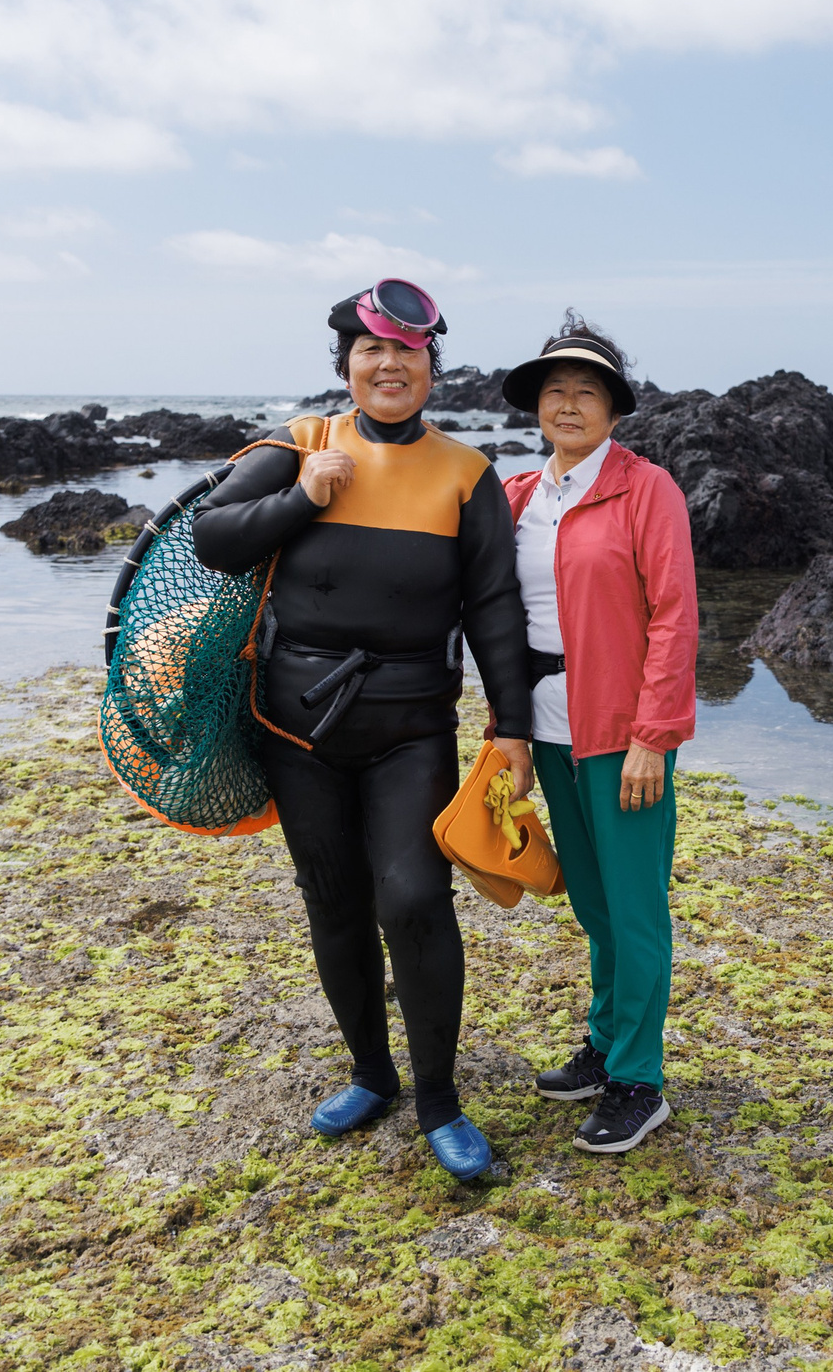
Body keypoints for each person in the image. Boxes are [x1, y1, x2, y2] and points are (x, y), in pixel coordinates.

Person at [192, 279, 535, 1181]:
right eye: (370, 350)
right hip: (297, 729)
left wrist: (511, 726)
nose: (389, 365)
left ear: (431, 369)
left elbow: (494, 606)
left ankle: (439, 1100)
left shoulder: (466, 474)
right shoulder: (301, 444)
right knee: (333, 899)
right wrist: (302, 498)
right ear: (345, 363)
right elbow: (211, 538)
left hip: (411, 727)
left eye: (407, 352)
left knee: (414, 897)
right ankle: (371, 1074)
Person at [498, 313, 697, 1154]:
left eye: (587, 391)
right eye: (556, 391)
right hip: (547, 731)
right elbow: (495, 620)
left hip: (621, 733)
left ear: (614, 409)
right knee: (591, 902)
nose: (569, 404)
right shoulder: (517, 497)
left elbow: (675, 616)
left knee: (635, 908)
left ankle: (639, 1080)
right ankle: (606, 1041)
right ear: (536, 406)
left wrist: (654, 734)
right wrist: (504, 729)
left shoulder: (647, 490)